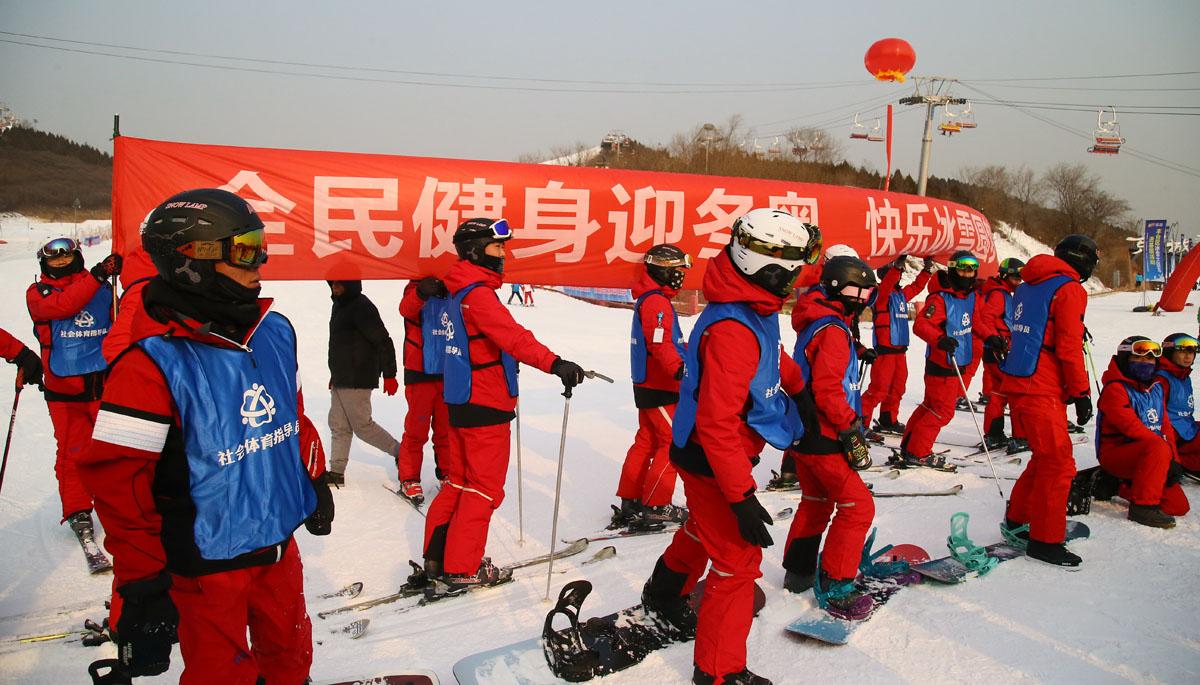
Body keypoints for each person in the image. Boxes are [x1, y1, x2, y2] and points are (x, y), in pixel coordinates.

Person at [78, 188, 334, 683]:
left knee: (290, 656)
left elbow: (291, 419)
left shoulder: (274, 331)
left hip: (277, 543)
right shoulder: (150, 363)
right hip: (207, 559)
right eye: (244, 248)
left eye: (260, 244)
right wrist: (142, 583)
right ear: (193, 260)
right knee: (222, 673)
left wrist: (312, 479)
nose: (260, 260)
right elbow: (118, 486)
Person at [642, 208, 817, 685]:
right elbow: (717, 424)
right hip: (713, 459)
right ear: (763, 262)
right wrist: (740, 496)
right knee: (738, 565)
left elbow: (773, 355)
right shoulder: (732, 328)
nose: (798, 277)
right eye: (792, 266)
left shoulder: (750, 306)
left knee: (702, 528)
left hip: (715, 455)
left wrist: (800, 389)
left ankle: (663, 591)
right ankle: (719, 673)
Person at [421, 217, 586, 596]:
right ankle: (461, 568)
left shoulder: (455, 290)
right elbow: (512, 336)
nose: (503, 255)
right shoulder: (477, 294)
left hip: (462, 400)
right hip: (485, 401)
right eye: (498, 248)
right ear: (477, 250)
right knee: (484, 489)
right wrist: (555, 363)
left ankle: (437, 558)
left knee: (459, 483)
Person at [782, 256, 880, 620]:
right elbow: (827, 389)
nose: (866, 297)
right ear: (843, 289)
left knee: (816, 500)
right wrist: (849, 426)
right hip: (823, 432)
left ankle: (799, 571)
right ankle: (838, 583)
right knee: (857, 506)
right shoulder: (835, 330)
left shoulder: (819, 321)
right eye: (863, 290)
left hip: (804, 432)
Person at [998, 235, 1097, 567]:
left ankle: (1018, 517)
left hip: (1022, 379)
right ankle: (1045, 540)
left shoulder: (1029, 284)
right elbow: (1069, 348)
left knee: (1044, 457)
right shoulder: (1068, 289)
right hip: (1039, 384)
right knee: (1058, 462)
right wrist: (1081, 392)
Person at [25, 235, 121, 560]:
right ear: (44, 263)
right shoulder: (38, 294)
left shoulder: (105, 288)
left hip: (103, 385)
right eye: (53, 257)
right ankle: (79, 509)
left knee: (115, 449)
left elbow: (119, 324)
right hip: (64, 393)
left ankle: (122, 504)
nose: (61, 260)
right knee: (72, 453)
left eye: (67, 254)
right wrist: (97, 276)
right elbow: (66, 306)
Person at [611, 244, 691, 530]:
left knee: (647, 440)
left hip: (649, 383)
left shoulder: (652, 300)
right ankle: (657, 504)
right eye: (677, 270)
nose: (681, 276)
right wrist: (680, 370)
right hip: (660, 384)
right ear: (663, 270)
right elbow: (660, 343)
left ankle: (631, 499)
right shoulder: (656, 302)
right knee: (672, 442)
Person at [899, 250, 994, 468]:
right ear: (952, 269)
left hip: (958, 361)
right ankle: (918, 451)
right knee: (942, 412)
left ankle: (910, 446)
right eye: (962, 268)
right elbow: (921, 325)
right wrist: (940, 339)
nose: (967, 274)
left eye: (971, 269)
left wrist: (992, 337)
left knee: (931, 406)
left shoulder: (971, 297)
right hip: (943, 364)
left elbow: (976, 323)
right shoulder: (940, 298)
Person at [1095, 336, 1189, 527]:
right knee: (1156, 446)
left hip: (1152, 456)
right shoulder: (1115, 389)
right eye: (1139, 358)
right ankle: (1143, 508)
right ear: (1126, 359)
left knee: (1178, 506)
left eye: (1150, 359)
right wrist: (1163, 452)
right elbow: (1131, 427)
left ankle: (1119, 485)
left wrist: (1174, 461)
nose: (1145, 363)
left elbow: (1165, 427)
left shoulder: (1156, 388)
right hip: (1118, 454)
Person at [326, 279, 401, 487]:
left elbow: (383, 340)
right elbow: (341, 345)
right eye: (333, 284)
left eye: (340, 284)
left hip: (358, 376)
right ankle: (336, 472)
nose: (335, 288)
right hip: (342, 376)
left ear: (350, 285)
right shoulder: (339, 306)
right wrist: (335, 374)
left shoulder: (361, 306)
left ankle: (402, 453)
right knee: (338, 425)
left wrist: (390, 374)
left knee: (362, 426)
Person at [861, 254, 933, 434]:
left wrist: (926, 271)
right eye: (895, 273)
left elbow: (916, 287)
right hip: (884, 352)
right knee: (878, 389)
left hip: (900, 350)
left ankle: (888, 418)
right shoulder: (880, 295)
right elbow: (886, 286)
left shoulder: (901, 295)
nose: (899, 276)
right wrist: (897, 267)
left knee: (898, 387)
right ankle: (860, 422)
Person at [397, 275, 453, 503]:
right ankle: (409, 477)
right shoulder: (414, 287)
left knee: (446, 429)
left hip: (448, 369)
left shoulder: (453, 286)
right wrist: (421, 292)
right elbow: (406, 310)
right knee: (416, 428)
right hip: (419, 371)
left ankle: (447, 473)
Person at [978, 257, 1026, 451]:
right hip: (999, 349)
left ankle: (994, 434)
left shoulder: (1003, 292)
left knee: (998, 394)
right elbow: (986, 318)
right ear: (1005, 275)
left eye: (1019, 279)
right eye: (1015, 278)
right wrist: (995, 339)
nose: (1018, 282)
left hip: (996, 349)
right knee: (1014, 392)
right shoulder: (999, 294)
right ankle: (1020, 436)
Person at [1155, 333, 1200, 475]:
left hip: (1187, 430)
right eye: (1182, 351)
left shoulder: (1183, 376)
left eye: (1191, 352)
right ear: (1170, 352)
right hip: (1173, 437)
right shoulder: (1161, 380)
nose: (1188, 357)